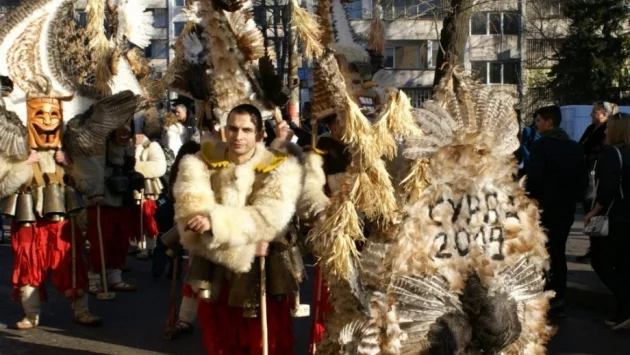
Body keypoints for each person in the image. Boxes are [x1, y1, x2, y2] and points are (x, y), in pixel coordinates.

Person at [173, 104, 302, 354]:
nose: (238, 136)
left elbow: (269, 217)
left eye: (246, 129)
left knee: (265, 342)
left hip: (264, 272)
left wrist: (216, 224)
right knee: (222, 341)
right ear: (225, 130)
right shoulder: (200, 162)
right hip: (217, 272)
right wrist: (244, 243)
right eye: (232, 128)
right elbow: (189, 219)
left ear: (261, 134)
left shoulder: (280, 166)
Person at [527, 105, 588, 318]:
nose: (537, 126)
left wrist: (531, 200)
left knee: (540, 252)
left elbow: (533, 178)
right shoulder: (575, 147)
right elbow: (582, 181)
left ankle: (543, 297)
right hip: (566, 209)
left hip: (544, 208)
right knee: (559, 252)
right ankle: (559, 297)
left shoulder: (541, 146)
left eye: (539, 122)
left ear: (549, 122)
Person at [585, 112, 630, 330]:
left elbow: (607, 189)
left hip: (616, 216)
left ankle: (626, 305)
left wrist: (595, 210)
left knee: (600, 260)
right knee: (622, 263)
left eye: (608, 128)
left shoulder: (612, 153)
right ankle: (622, 313)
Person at [577, 101, 617, 263]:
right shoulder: (590, 129)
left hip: (598, 176)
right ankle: (593, 248)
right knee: (589, 212)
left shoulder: (608, 130)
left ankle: (599, 250)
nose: (591, 115)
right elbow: (581, 146)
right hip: (587, 175)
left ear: (605, 114)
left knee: (597, 212)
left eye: (595, 112)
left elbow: (601, 150)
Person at [133, 108, 167, 260]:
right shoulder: (127, 144)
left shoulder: (153, 146)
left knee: (148, 216)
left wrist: (137, 168)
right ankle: (138, 245)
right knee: (135, 217)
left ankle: (151, 246)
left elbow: (159, 167)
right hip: (133, 188)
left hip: (147, 189)